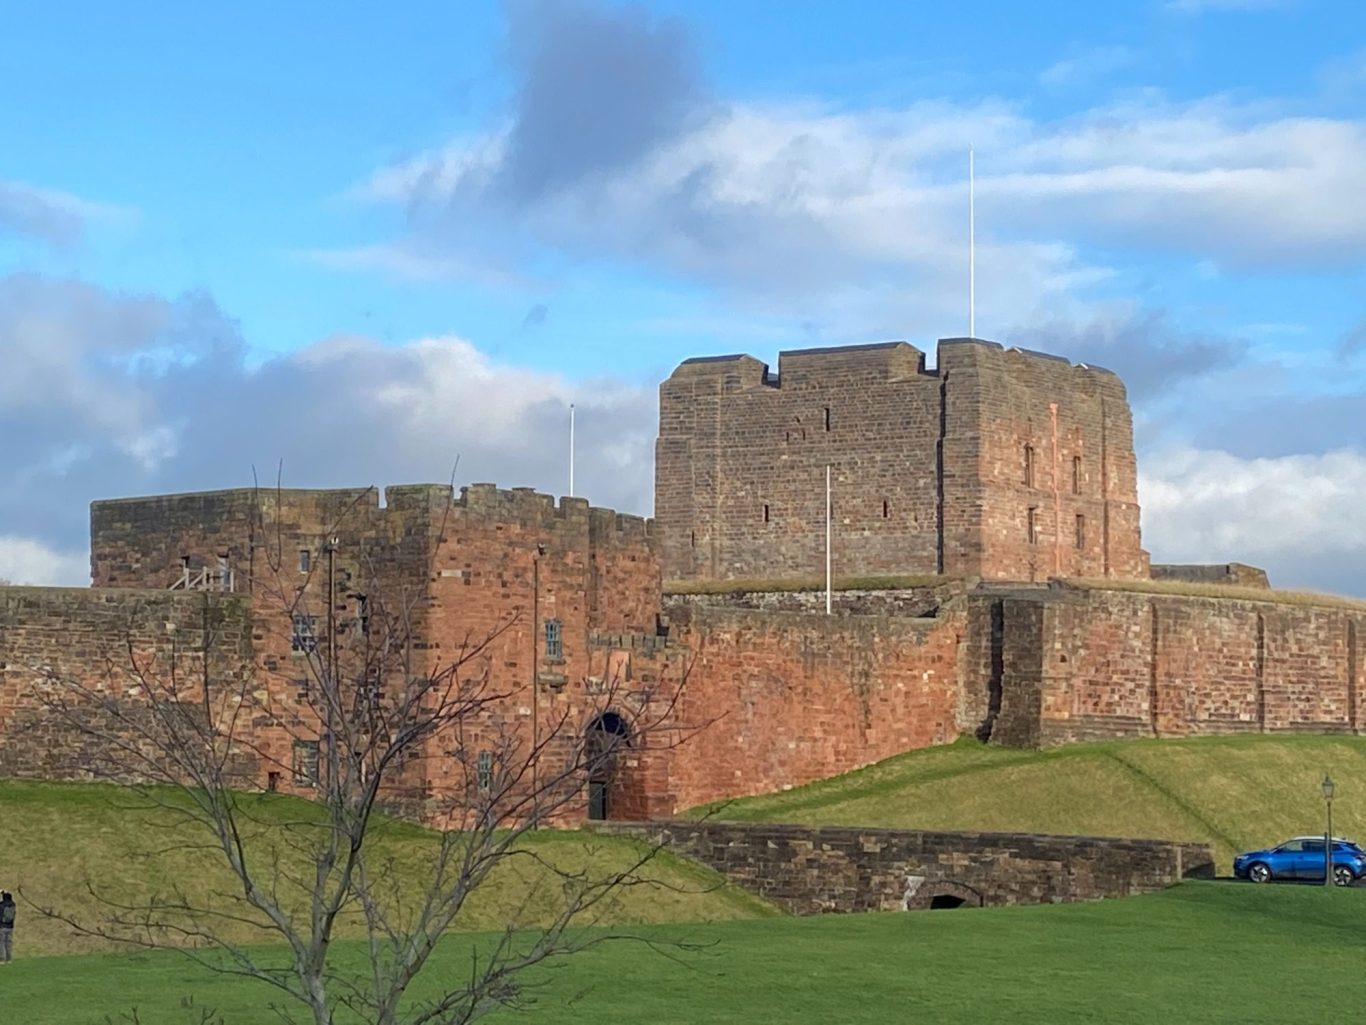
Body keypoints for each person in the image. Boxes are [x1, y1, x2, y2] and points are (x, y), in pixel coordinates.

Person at [0, 891, 14, 963]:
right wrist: (5, 892)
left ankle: (2, 959)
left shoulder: (1, 905)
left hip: (2, 926)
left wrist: (1, 893)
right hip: (10, 927)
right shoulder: (13, 904)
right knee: (8, 943)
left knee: (1, 943)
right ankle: (9, 959)